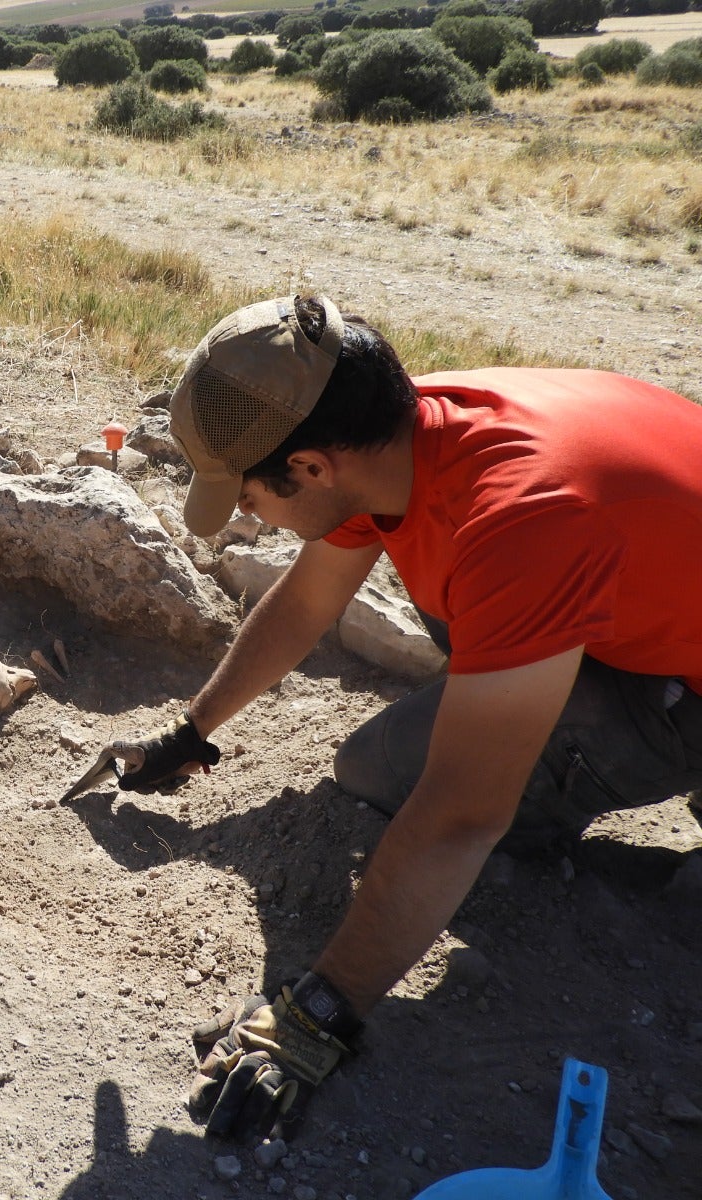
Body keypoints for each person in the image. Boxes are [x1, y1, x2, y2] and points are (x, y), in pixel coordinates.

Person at [101, 294, 702, 1141]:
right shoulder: (397, 435)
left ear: (308, 468)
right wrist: (193, 729)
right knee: (381, 761)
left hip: (682, 687)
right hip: (647, 594)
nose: (243, 516)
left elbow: (459, 816)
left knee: (404, 785)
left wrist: (318, 1012)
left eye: (244, 496)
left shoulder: (519, 517)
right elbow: (309, 596)